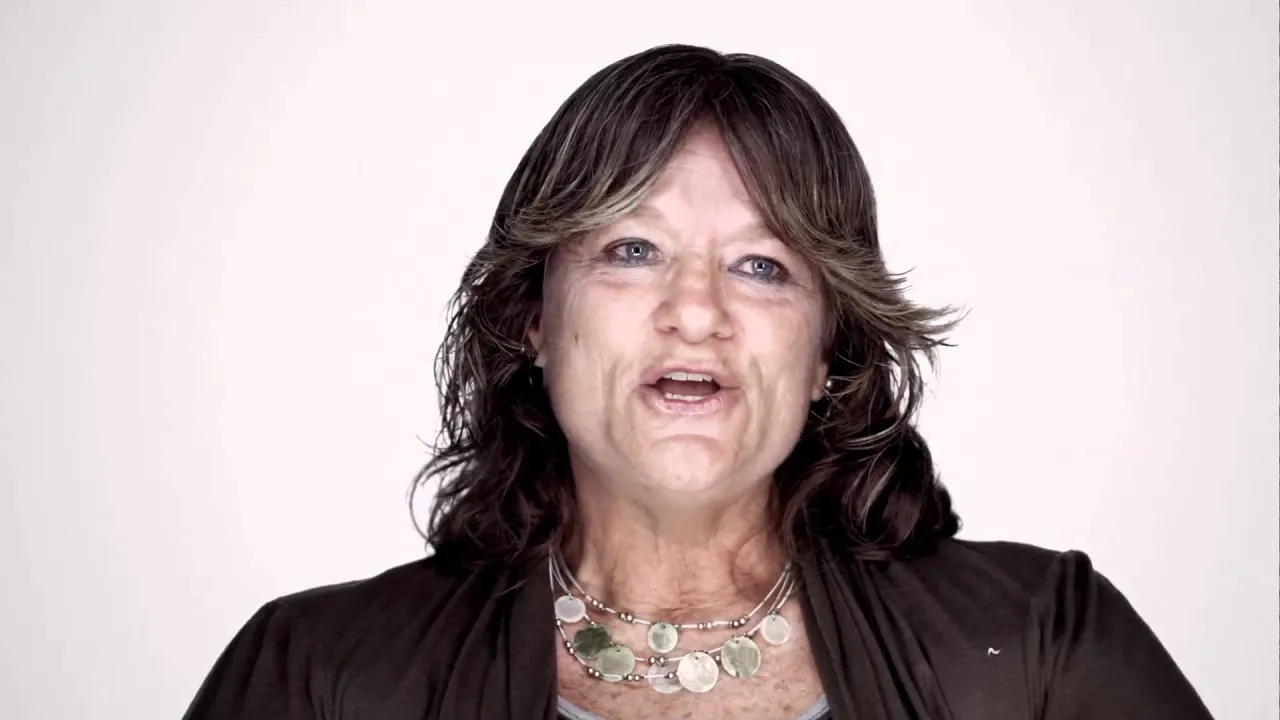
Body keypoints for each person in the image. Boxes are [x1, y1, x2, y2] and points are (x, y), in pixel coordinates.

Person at [182, 44, 1213, 720]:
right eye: (632, 250)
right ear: (532, 318)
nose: (696, 309)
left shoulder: (1042, 646)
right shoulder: (319, 675)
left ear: (828, 351)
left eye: (761, 265)